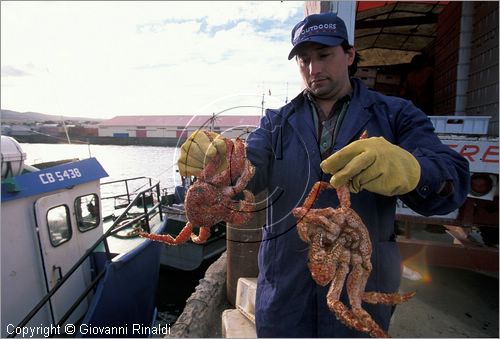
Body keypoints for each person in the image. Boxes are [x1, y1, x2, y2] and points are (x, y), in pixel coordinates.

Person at [178, 12, 470, 337]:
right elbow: (250, 165)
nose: (314, 69)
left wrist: (416, 171)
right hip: (284, 294)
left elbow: (452, 178)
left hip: (359, 283)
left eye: (324, 55)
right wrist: (222, 163)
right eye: (304, 59)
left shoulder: (395, 114)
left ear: (349, 55)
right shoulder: (275, 123)